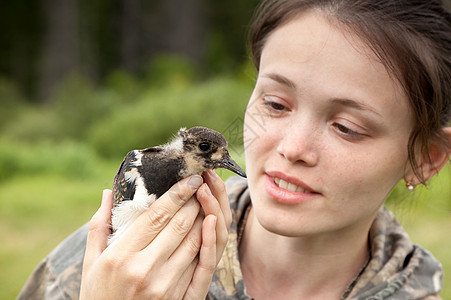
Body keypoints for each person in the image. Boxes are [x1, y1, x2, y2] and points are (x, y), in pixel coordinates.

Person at [18, 0, 451, 299]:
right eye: (276, 104)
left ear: (425, 158)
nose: (292, 147)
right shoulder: (120, 258)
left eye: (346, 127)